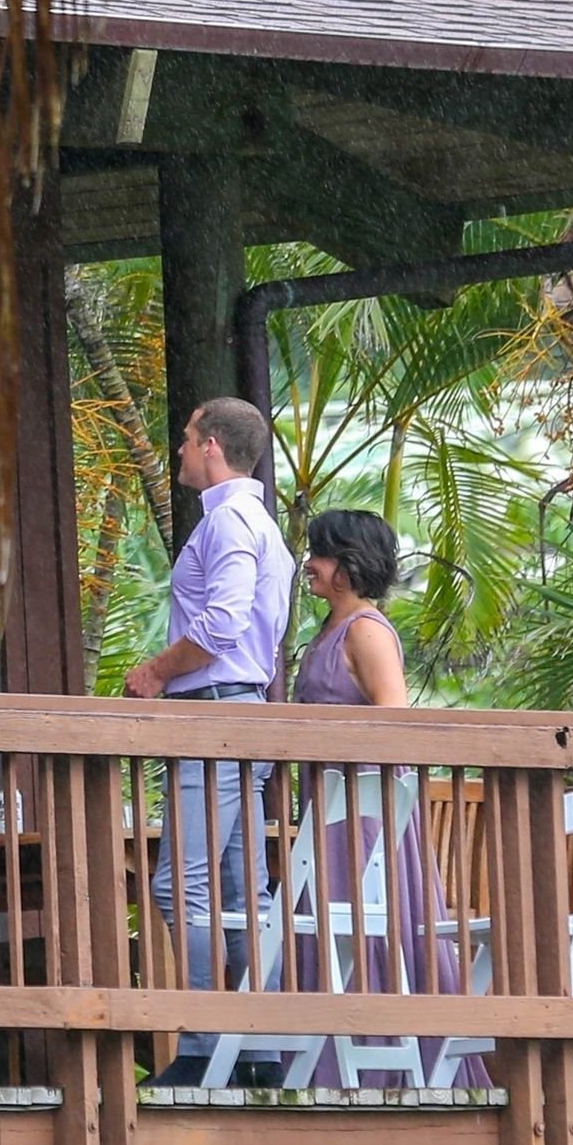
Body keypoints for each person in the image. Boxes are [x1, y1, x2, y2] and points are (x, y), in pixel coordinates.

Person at [125, 396, 295, 1089]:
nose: (179, 450)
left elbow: (222, 622)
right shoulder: (262, 525)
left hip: (214, 711)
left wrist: (156, 672)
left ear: (212, 447)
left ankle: (201, 1048)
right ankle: (256, 1050)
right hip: (243, 708)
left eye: (187, 438)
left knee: (181, 885)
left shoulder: (228, 522)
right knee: (242, 890)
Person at [294, 508, 488, 1088]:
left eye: (321, 554)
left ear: (348, 565)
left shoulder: (367, 632)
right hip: (326, 809)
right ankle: (327, 1066)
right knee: (326, 927)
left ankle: (387, 1069)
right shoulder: (327, 632)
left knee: (366, 923)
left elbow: (395, 723)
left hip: (366, 812)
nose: (310, 564)